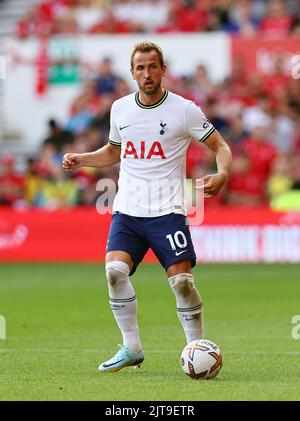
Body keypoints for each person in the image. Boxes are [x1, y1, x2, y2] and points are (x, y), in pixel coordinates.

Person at [63, 41, 232, 372]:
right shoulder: (120, 108)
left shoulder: (184, 109)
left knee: (182, 282)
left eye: (152, 66)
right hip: (127, 211)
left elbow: (220, 145)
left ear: (163, 70)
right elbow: (114, 152)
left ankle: (195, 349)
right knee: (114, 272)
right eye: (140, 68)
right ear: (132, 73)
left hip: (168, 212)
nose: (147, 73)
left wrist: (222, 172)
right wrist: (83, 159)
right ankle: (132, 348)